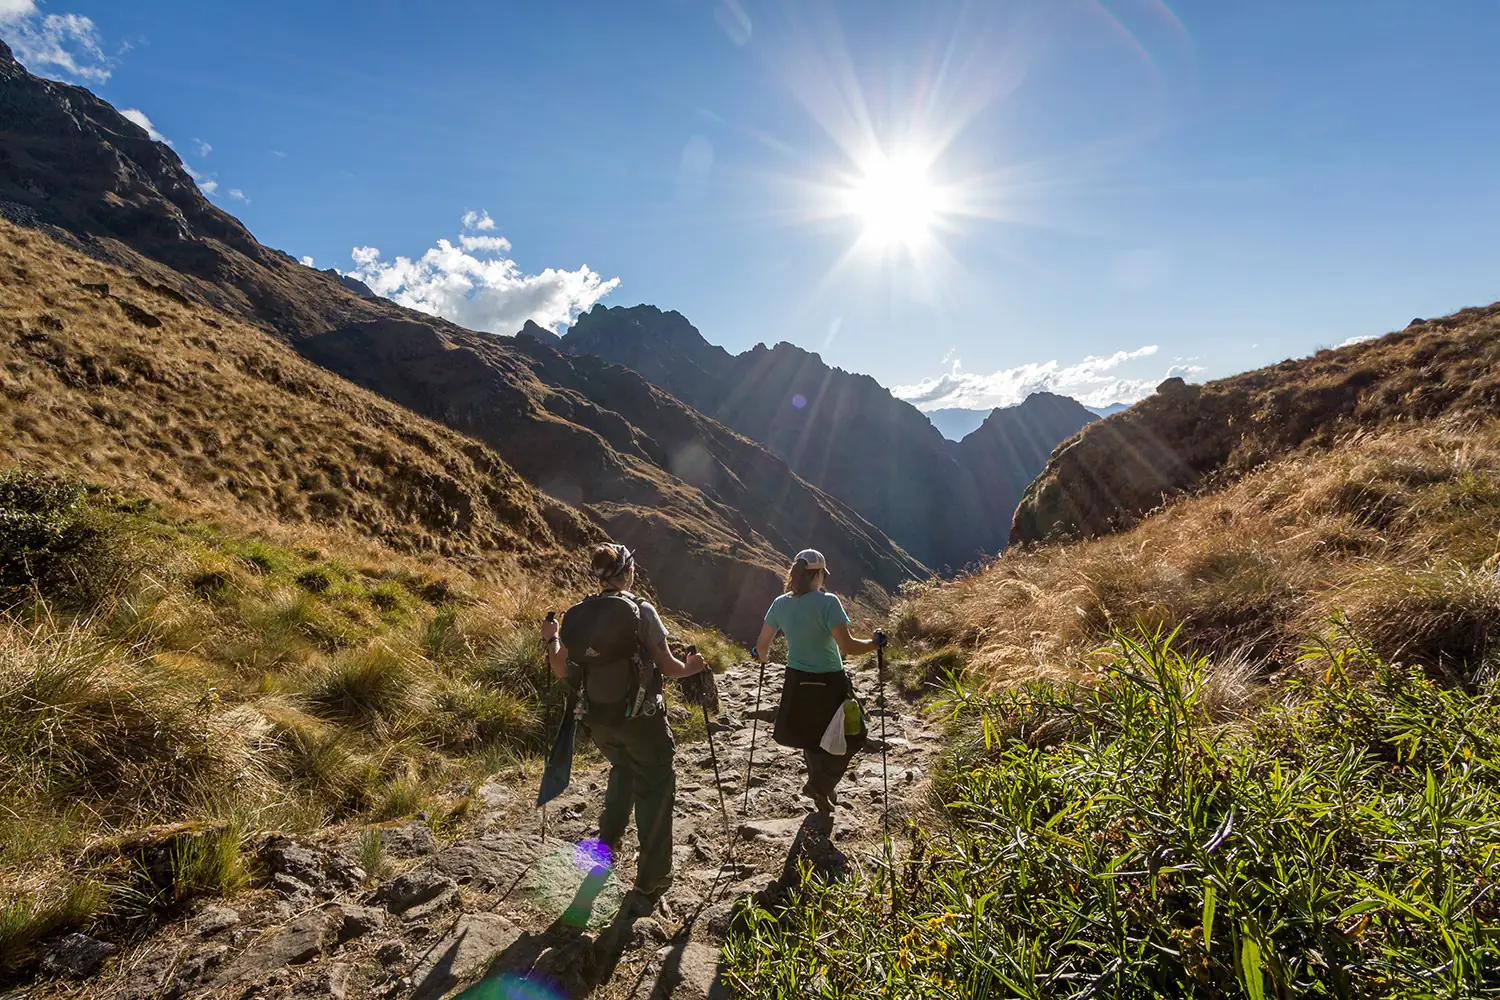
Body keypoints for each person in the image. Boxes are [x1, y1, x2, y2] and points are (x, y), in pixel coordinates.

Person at [542, 542, 706, 916]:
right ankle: (651, 878)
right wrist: (694, 667)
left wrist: (550, 636)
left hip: (599, 721)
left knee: (623, 770)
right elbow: (667, 665)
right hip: (642, 720)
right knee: (654, 789)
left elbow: (562, 669)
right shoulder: (642, 610)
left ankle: (607, 847)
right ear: (629, 571)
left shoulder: (578, 615)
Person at [755, 548, 886, 817]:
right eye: (823, 575)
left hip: (796, 679)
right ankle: (821, 785)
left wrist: (762, 659)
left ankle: (821, 787)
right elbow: (848, 646)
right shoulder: (828, 603)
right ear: (817, 575)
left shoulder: (780, 604)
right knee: (854, 735)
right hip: (830, 681)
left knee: (812, 736)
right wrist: (874, 643)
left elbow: (762, 646)